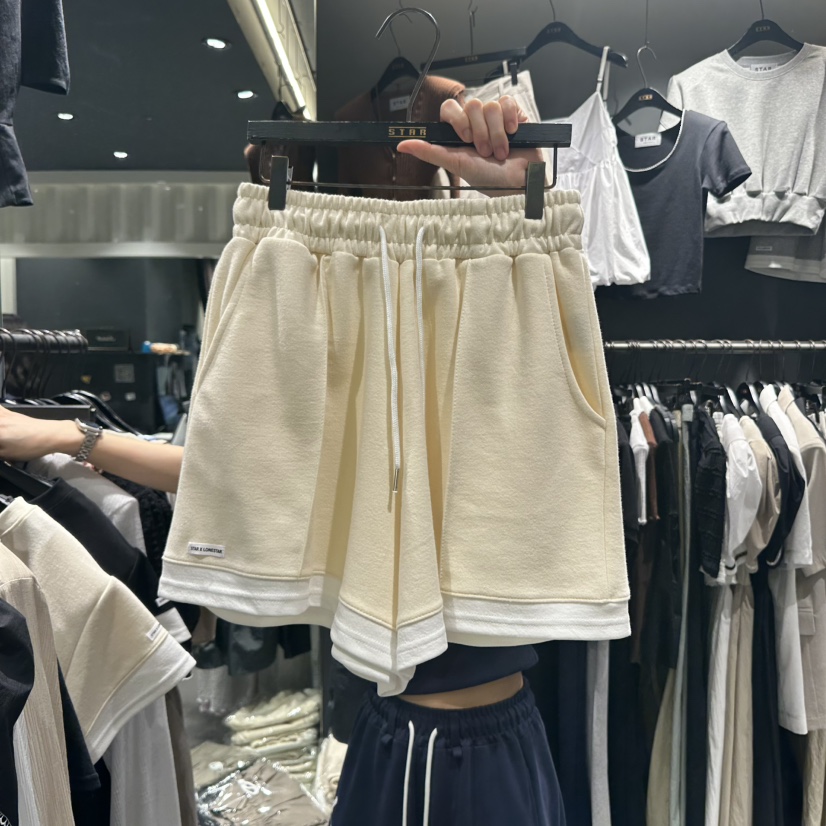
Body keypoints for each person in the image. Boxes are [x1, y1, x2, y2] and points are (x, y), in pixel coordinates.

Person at [0, 95, 567, 826]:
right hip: (427, 733)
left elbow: (227, 469)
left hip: (451, 745)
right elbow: (236, 467)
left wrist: (521, 218)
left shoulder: (474, 310)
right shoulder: (351, 326)